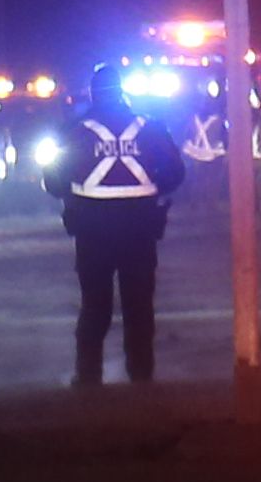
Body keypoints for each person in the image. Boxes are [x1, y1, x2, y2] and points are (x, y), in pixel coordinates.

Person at [42, 63, 187, 387]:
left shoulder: (75, 130)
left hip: (93, 231)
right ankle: (141, 374)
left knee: (95, 305)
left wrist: (80, 195)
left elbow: (52, 181)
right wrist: (150, 189)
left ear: (93, 93)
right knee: (139, 305)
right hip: (139, 229)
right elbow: (176, 174)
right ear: (122, 91)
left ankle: (88, 375)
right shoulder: (149, 128)